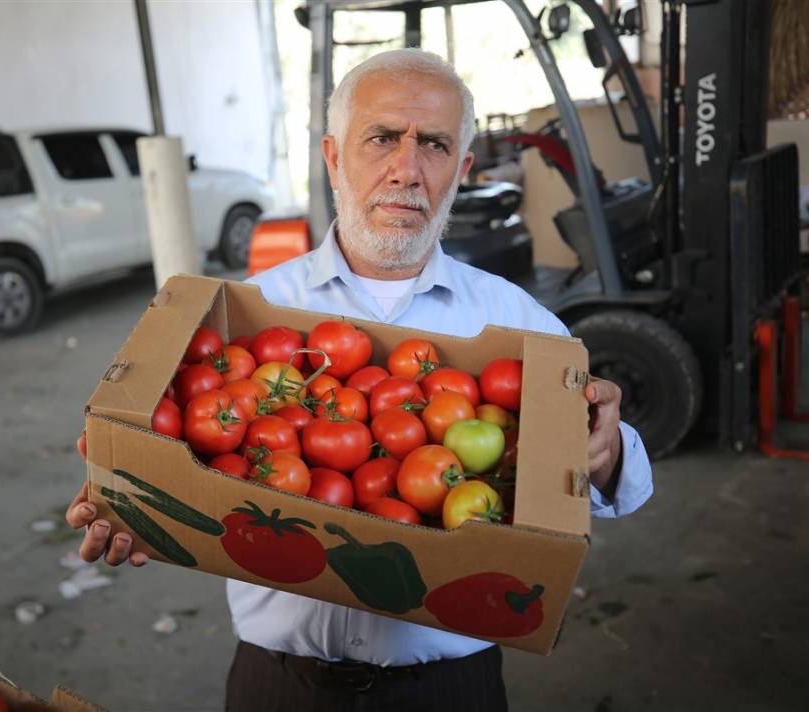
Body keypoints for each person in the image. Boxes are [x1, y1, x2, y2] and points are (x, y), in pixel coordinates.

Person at [65, 48, 653, 711]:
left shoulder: (517, 322)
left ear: (461, 170)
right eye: (382, 138)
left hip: (449, 691)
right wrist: (129, 498)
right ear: (333, 156)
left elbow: (620, 488)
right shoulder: (246, 314)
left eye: (432, 144)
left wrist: (607, 452)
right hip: (278, 686)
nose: (406, 169)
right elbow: (184, 457)